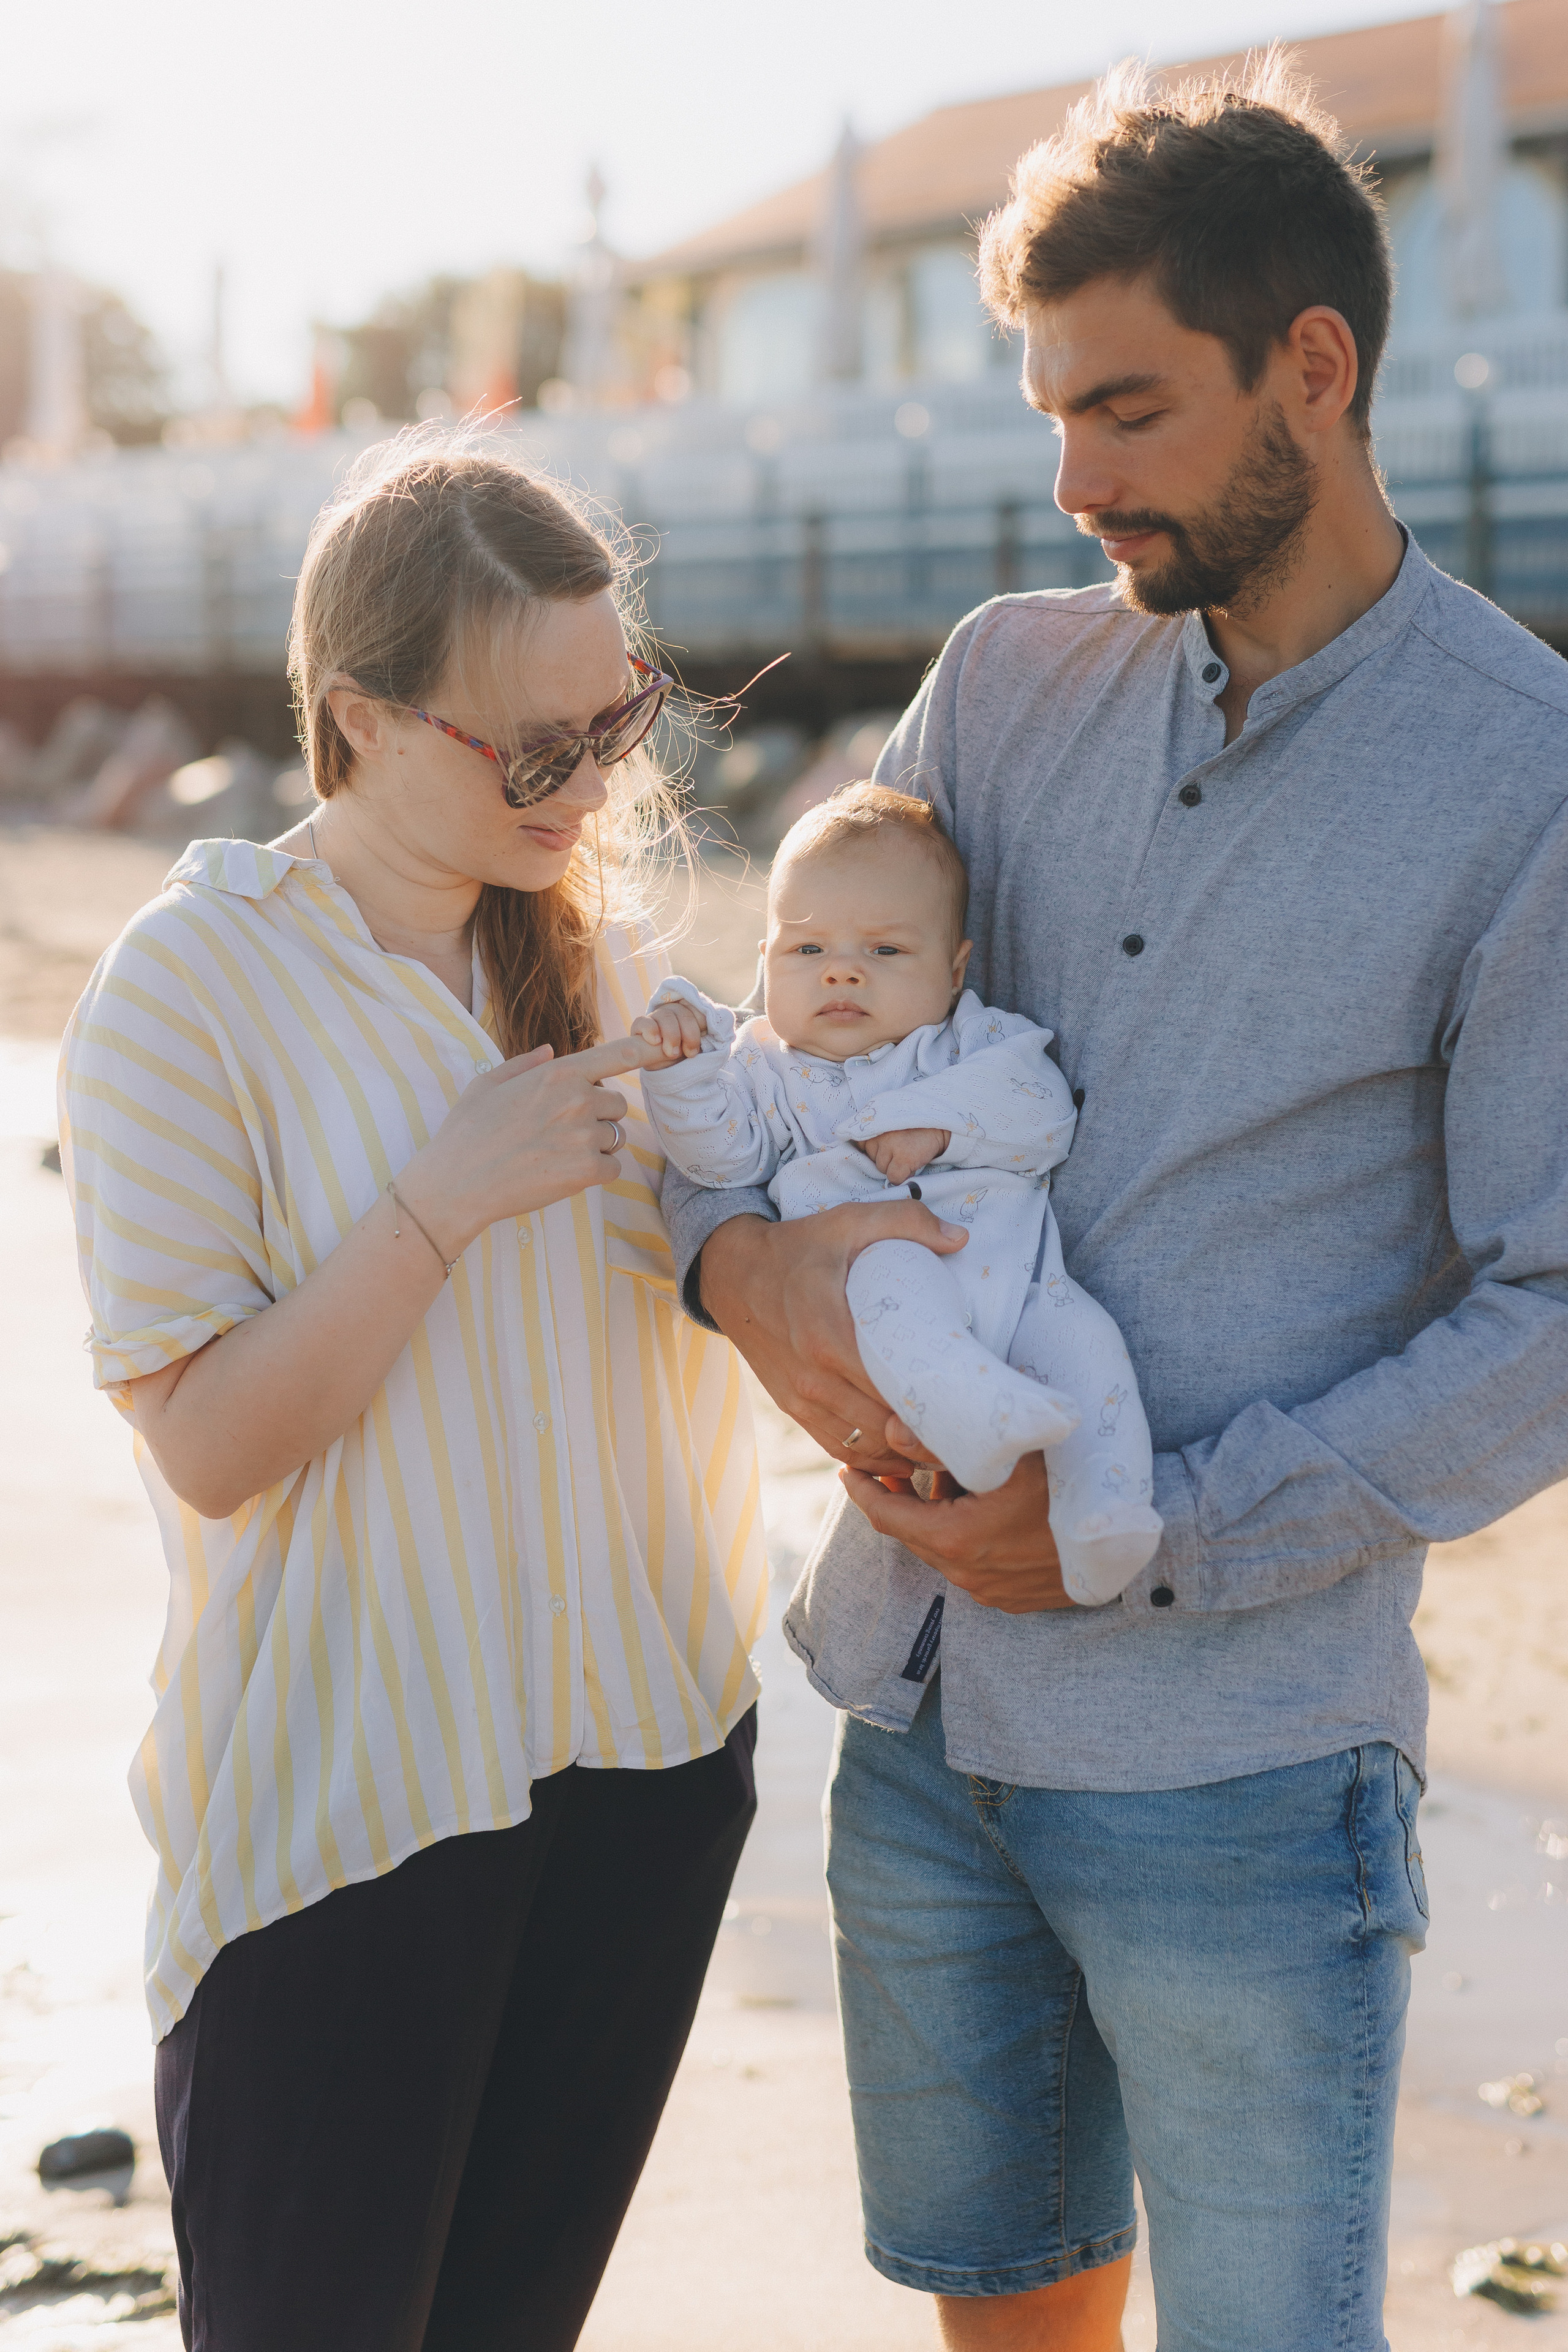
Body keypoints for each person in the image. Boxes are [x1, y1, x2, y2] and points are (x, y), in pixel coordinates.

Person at [662, 53, 1568, 2352]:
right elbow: (797, 1063)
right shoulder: (997, 685)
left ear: (1317, 368)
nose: (1074, 481)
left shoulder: (1528, 777)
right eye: (1053, 410)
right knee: (1005, 2324)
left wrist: (1165, 1522)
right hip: (926, 1708)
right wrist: (738, 1265)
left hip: (1244, 1760)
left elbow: (1555, 1303)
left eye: (1133, 412)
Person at [58, 437, 767, 2352]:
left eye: (611, 721)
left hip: (638, 1775)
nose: (592, 784)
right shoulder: (181, 994)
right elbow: (210, 1449)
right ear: (359, 720)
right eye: (532, 747)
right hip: (343, 1815)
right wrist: (435, 1207)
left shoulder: (607, 958)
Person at [635, 783, 1161, 1601]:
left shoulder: (977, 1042)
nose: (842, 969)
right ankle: (975, 1416)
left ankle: (1109, 1511)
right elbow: (717, 1160)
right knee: (893, 1281)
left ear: (955, 970)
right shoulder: (770, 1069)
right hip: (875, 1275)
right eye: (806, 952)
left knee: (1090, 1349)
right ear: (765, 960)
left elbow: (1044, 1113)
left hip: (1024, 1281)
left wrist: (941, 1126)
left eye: (884, 952)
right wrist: (686, 1069)